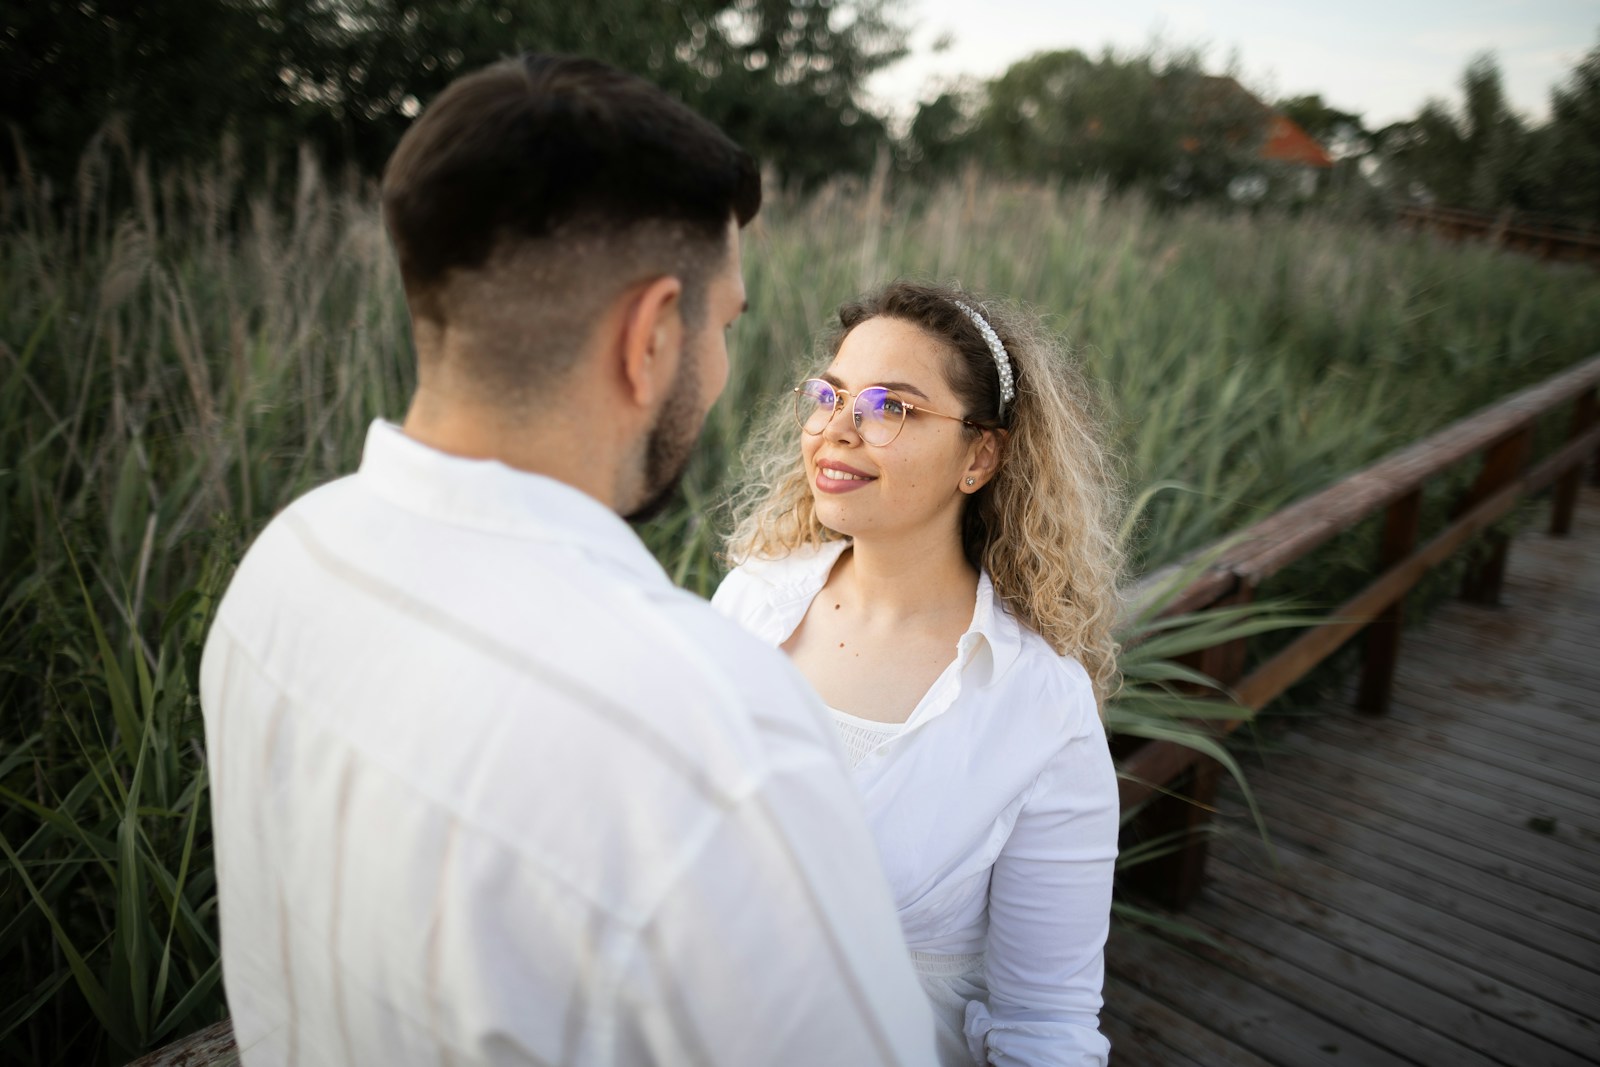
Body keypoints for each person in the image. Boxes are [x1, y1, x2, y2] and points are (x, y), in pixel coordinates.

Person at [199, 55, 936, 1066]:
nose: (722, 364)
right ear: (649, 336)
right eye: (723, 322)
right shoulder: (714, 732)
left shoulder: (289, 558)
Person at [715, 280, 1123, 1066]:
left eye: (889, 407)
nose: (837, 430)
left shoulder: (1040, 703)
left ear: (980, 455)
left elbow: (1045, 1022)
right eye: (829, 396)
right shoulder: (750, 601)